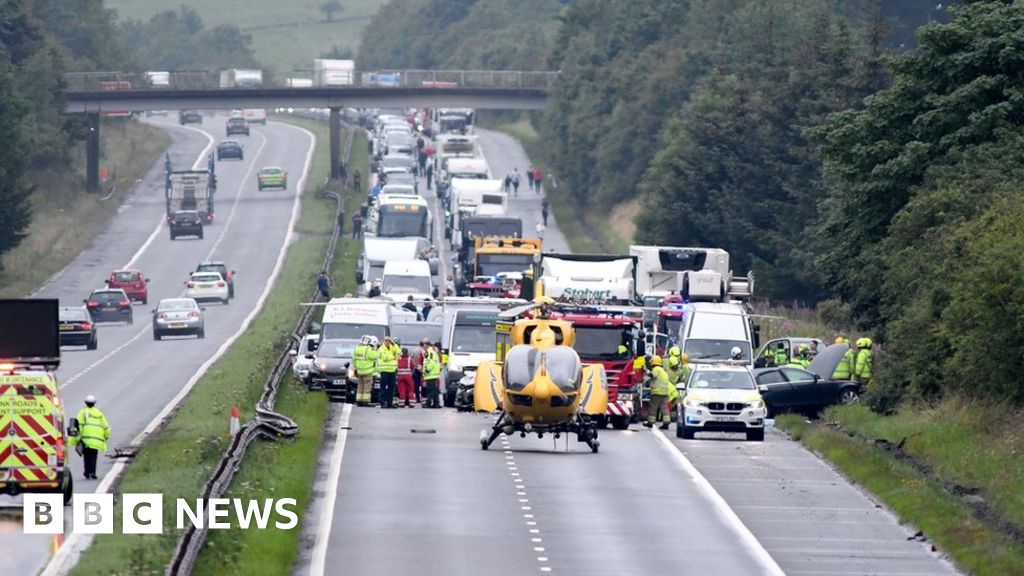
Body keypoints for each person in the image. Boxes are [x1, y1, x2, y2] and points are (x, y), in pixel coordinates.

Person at [69, 395, 110, 480]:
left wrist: (76, 438)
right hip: (96, 440)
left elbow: (78, 426)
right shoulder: (99, 413)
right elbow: (106, 426)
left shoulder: (83, 412)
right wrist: (106, 436)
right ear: (94, 403)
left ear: (86, 403)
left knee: (86, 456)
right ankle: (93, 472)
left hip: (86, 439)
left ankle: (87, 472)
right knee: (94, 455)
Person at [645, 356, 672, 429]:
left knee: (653, 407)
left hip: (657, 392)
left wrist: (646, 371)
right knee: (664, 408)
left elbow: (652, 375)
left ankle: (650, 422)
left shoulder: (656, 369)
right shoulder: (663, 371)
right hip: (665, 393)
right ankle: (666, 423)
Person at [352, 335, 378, 406]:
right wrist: (376, 350)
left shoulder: (357, 348)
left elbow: (353, 359)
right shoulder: (368, 349)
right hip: (368, 371)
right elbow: (374, 356)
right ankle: (366, 401)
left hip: (359, 371)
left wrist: (355, 368)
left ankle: (359, 400)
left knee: (360, 386)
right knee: (367, 386)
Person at [377, 336, 399, 408]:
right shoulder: (381, 349)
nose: (388, 342)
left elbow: (399, 352)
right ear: (384, 341)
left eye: (389, 341)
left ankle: (390, 403)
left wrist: (395, 345)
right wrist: (393, 356)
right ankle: (382, 402)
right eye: (386, 340)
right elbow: (385, 358)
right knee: (383, 387)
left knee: (391, 388)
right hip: (384, 370)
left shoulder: (392, 347)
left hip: (392, 370)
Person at [422, 342, 443, 408]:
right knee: (435, 390)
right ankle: (436, 403)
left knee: (430, 390)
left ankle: (428, 403)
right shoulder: (432, 352)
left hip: (431, 374)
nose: (424, 348)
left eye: (425, 346)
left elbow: (431, 362)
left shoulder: (430, 353)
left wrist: (426, 370)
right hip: (433, 374)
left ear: (428, 346)